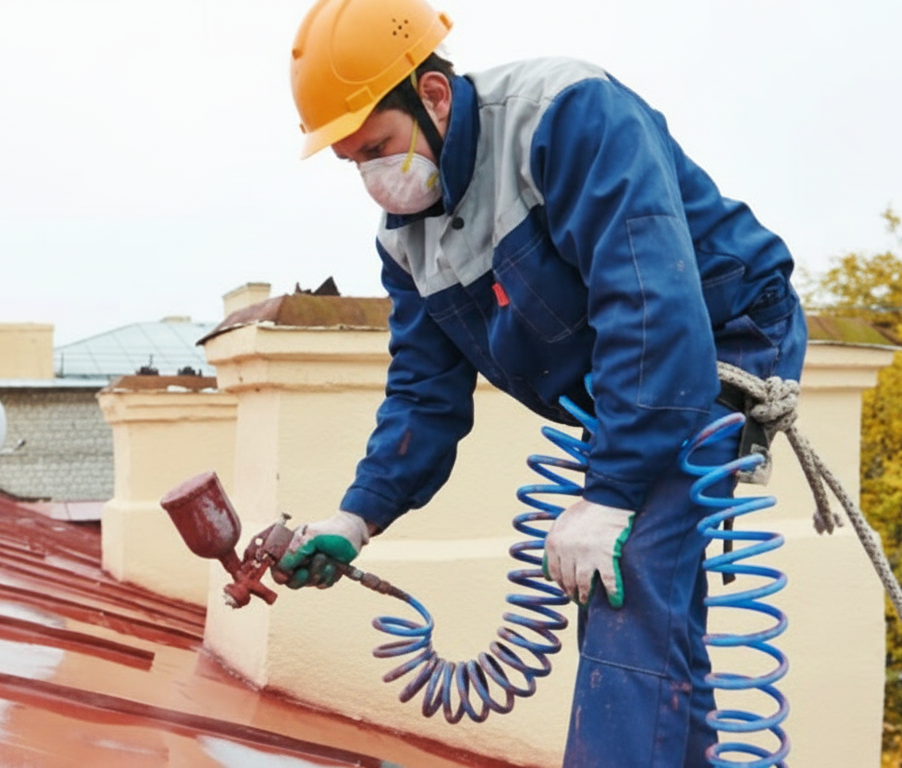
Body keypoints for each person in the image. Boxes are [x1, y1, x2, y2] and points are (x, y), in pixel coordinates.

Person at [270, 0, 808, 765]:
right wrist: (357, 518)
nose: (373, 176)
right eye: (353, 160)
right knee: (647, 597)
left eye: (379, 146)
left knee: (625, 575)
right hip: (629, 378)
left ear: (433, 95)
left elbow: (648, 303)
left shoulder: (566, 116)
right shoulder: (407, 242)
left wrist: (611, 491)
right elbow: (424, 393)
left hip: (719, 336)